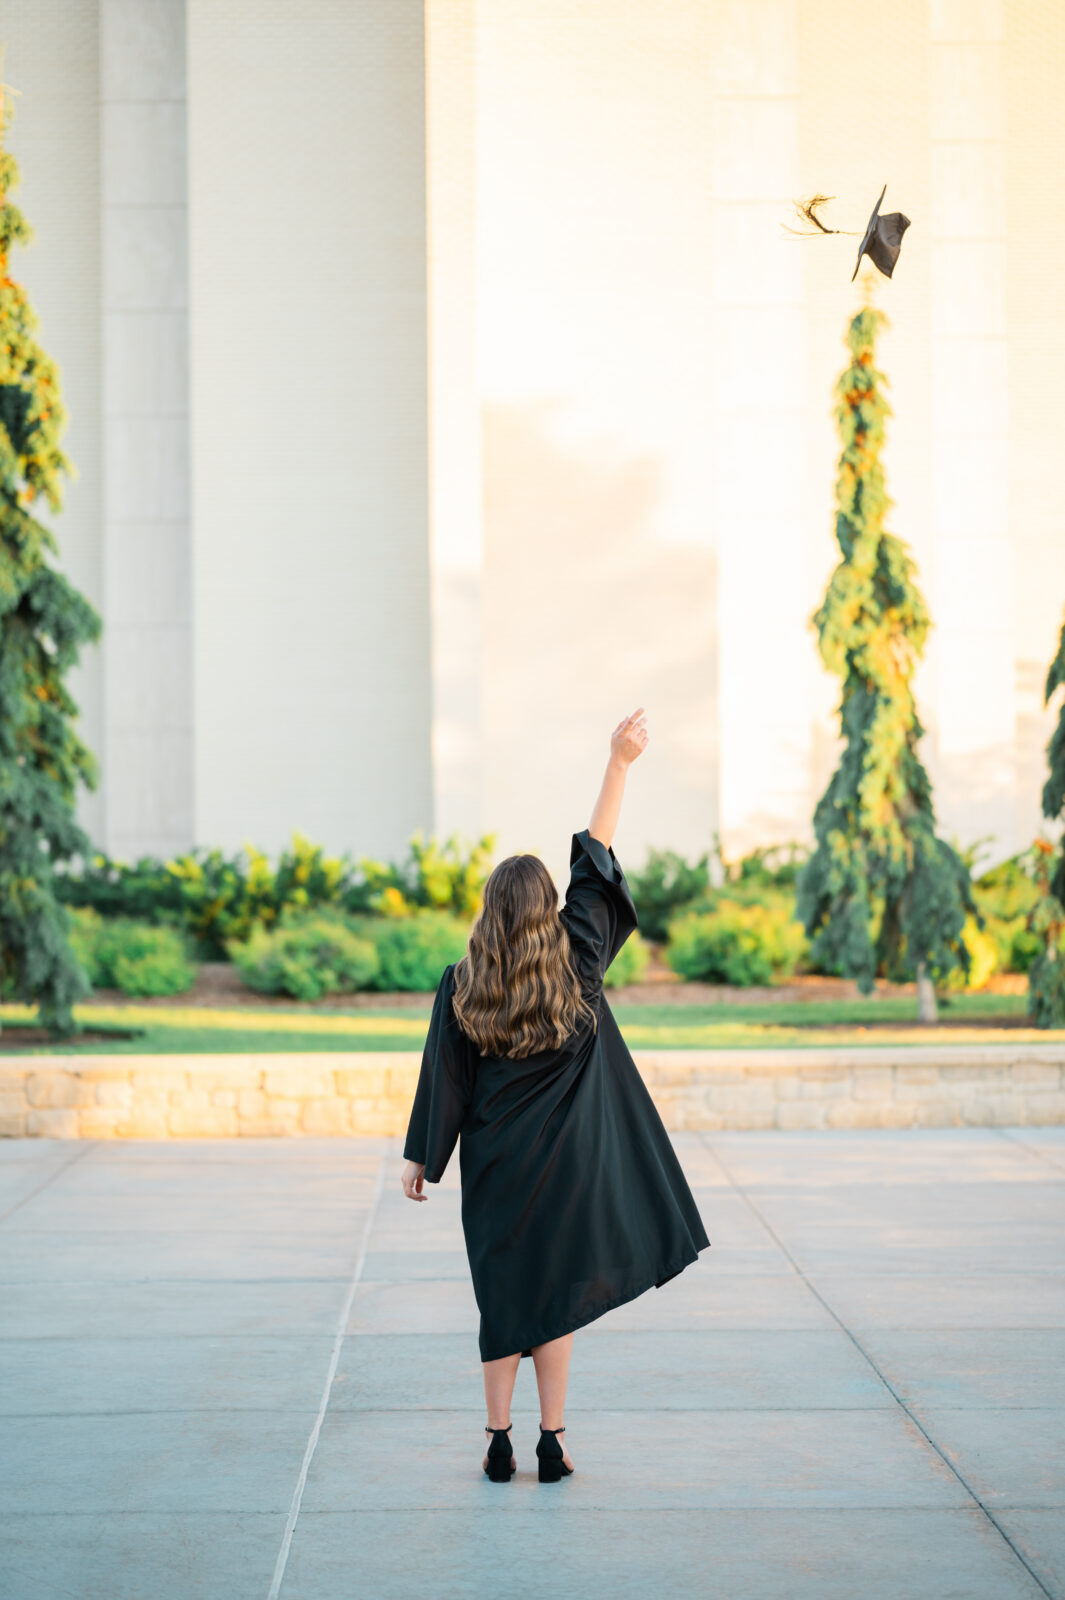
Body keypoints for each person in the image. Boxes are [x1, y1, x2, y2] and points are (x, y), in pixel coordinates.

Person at [401, 709, 710, 1483]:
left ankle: (498, 1441)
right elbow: (595, 859)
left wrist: (422, 1158)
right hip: (566, 1170)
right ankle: (552, 1438)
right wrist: (618, 763)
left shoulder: (462, 983)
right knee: (555, 1302)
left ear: (488, 915)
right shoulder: (577, 968)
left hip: (498, 1168)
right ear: (545, 914)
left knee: (504, 1299)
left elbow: (445, 1075)